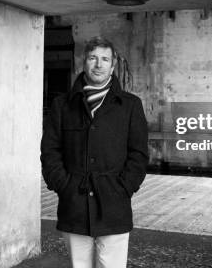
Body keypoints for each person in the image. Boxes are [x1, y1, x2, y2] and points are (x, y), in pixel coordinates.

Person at [41, 36, 149, 268]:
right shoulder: (62, 105)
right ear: (84, 62)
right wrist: (64, 185)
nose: (99, 64)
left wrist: (124, 188)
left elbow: (138, 155)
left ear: (112, 65)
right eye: (93, 58)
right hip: (75, 205)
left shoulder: (130, 105)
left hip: (114, 204)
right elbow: (50, 151)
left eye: (105, 59)